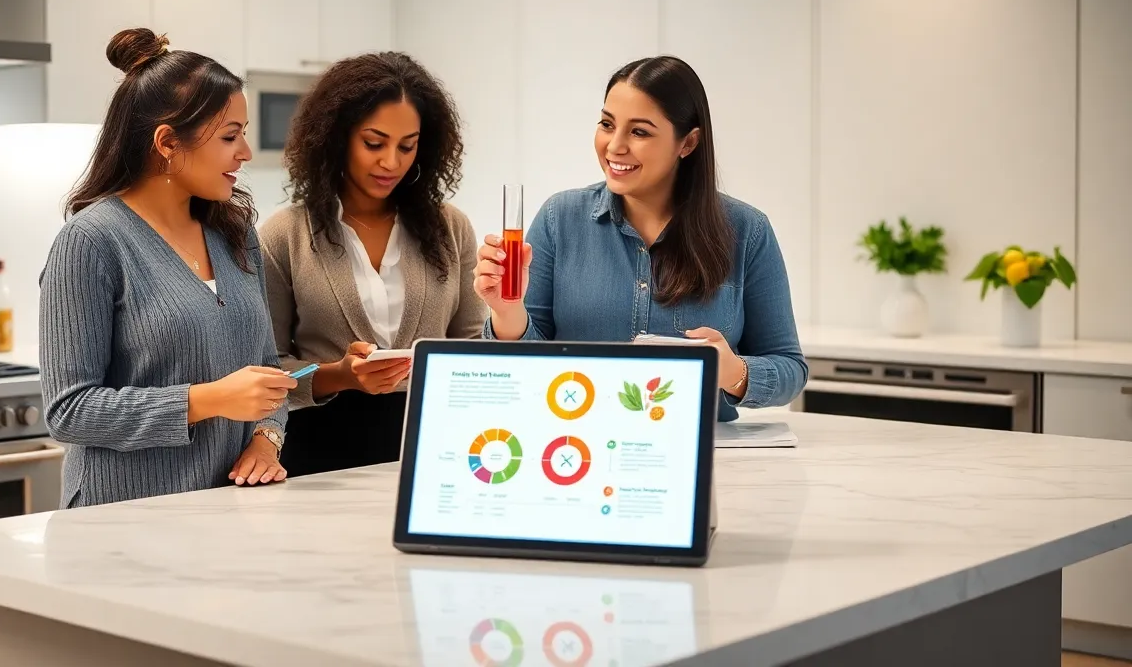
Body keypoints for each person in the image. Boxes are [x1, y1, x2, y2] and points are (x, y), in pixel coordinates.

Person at [39, 28, 295, 508]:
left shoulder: (235, 233)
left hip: (229, 512)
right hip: (123, 519)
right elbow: (69, 411)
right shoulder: (91, 243)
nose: (244, 152)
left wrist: (266, 440)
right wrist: (208, 400)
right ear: (167, 142)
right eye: (230, 136)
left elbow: (267, 373)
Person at [474, 56, 807, 422]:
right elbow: (522, 367)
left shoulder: (747, 231)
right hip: (579, 441)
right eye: (607, 124)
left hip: (703, 447)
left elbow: (790, 368)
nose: (614, 146)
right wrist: (507, 312)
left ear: (688, 142)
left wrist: (733, 371)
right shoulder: (559, 218)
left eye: (639, 132)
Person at [260, 51, 486, 476]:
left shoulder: (451, 229)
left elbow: (473, 345)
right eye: (374, 143)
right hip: (322, 455)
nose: (391, 162)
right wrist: (340, 375)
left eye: (407, 146)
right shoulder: (284, 235)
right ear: (337, 137)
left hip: (436, 446)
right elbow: (268, 366)